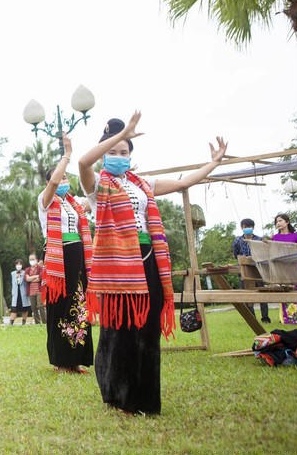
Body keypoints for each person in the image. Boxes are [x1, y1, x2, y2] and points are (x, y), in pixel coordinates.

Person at [78, 113, 226, 415]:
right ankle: (119, 396)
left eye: (124, 152)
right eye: (113, 152)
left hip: (149, 265)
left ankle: (145, 399)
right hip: (119, 270)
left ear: (131, 156)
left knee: (147, 331)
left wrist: (214, 163)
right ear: (105, 153)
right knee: (119, 332)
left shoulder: (142, 184)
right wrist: (120, 135)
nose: (119, 156)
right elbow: (82, 162)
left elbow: (185, 182)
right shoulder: (96, 186)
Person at [38, 136, 93, 373]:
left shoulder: (75, 203)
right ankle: (61, 361)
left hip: (77, 256)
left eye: (66, 177)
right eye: (60, 176)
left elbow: (95, 198)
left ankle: (76, 359)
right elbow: (51, 185)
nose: (64, 180)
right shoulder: (45, 200)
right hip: (57, 260)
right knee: (60, 305)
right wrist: (67, 155)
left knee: (78, 303)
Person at [232, 218, 269, 323]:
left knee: (262, 292)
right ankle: (252, 318)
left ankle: (265, 317)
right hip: (244, 268)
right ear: (241, 228)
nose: (247, 228)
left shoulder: (259, 239)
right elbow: (236, 254)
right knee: (247, 293)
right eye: (245, 227)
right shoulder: (237, 240)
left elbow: (264, 253)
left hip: (258, 268)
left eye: (249, 227)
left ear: (253, 228)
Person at [271, 213, 297, 325]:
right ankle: (289, 319)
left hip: (296, 268)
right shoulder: (275, 238)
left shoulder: (296, 237)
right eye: (276, 222)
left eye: (280, 221)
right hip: (282, 269)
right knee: (286, 291)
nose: (278, 223)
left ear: (287, 222)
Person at [24, 252, 45, 324]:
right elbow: (27, 279)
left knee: (40, 306)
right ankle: (37, 322)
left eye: (33, 259)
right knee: (33, 308)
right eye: (30, 259)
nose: (31, 261)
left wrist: (31, 278)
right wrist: (35, 276)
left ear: (36, 260)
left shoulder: (40, 268)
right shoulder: (27, 269)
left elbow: (40, 278)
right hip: (31, 291)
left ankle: (45, 322)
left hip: (39, 290)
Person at [9, 259, 31, 325]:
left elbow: (26, 281)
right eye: (17, 264)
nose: (18, 266)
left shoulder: (25, 272)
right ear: (15, 265)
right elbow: (13, 283)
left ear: (22, 265)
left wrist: (20, 276)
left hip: (23, 293)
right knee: (14, 309)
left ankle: (23, 323)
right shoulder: (12, 273)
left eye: (20, 264)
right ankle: (11, 323)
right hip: (16, 294)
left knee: (25, 309)